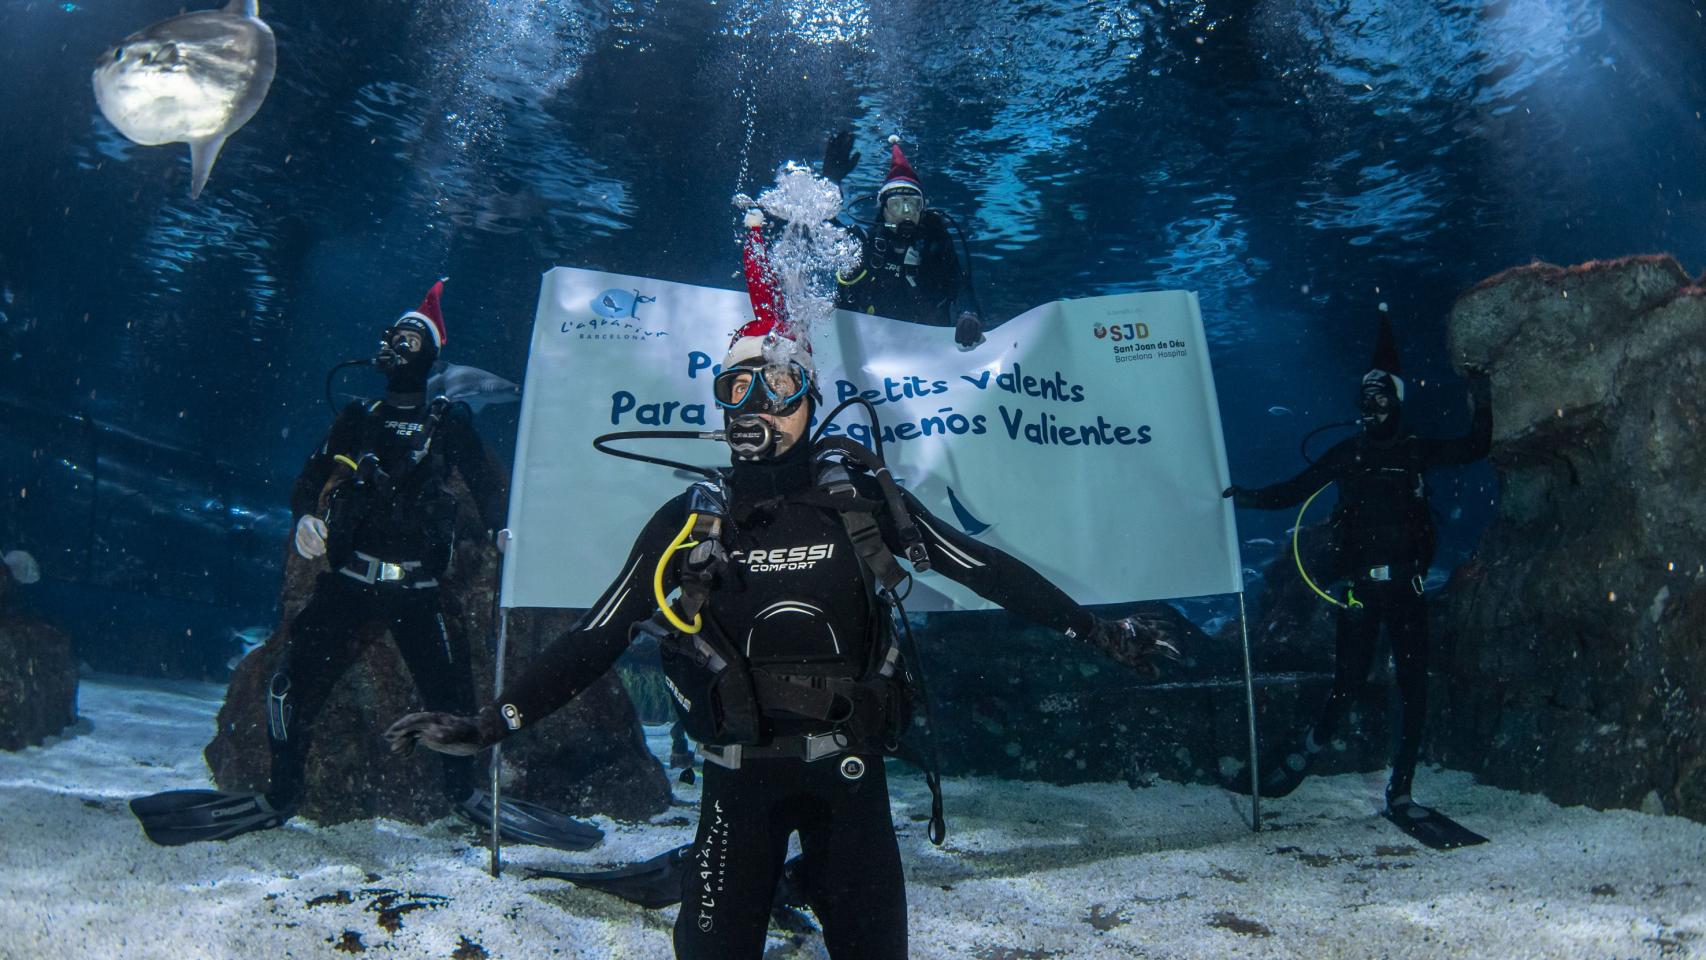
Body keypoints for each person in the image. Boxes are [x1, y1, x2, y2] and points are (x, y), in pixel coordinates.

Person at [386, 245, 1184, 958]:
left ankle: (805, 890)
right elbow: (598, 635)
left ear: (810, 397)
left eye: (778, 386)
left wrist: (1097, 631)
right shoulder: (691, 520)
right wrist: (493, 722)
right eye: (739, 386)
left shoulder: (863, 499)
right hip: (735, 787)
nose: (756, 406)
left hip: (851, 781)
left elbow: (978, 566)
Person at [129, 280, 528, 846]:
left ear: (434, 354)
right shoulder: (359, 418)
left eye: (414, 337)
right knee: (289, 683)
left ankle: (462, 792)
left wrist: (500, 528)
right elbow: (312, 477)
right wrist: (303, 519)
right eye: (398, 335)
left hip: (418, 590)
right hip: (348, 580)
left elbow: (486, 485)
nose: (400, 344)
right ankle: (280, 792)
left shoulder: (449, 424)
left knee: (453, 699)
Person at [1222, 309, 1491, 843]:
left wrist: (1480, 392)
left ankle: (1402, 790)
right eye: (1362, 400)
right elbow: (1292, 492)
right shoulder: (1350, 453)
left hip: (1409, 590)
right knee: (1346, 684)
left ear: (1395, 402)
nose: (1368, 409)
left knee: (1415, 689)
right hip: (1362, 590)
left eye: (1378, 399)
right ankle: (1306, 754)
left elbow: (1474, 447)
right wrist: (1242, 496)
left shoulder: (1415, 451)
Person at [822, 132, 987, 349]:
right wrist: (830, 181)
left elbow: (960, 285)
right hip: (874, 347)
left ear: (923, 209)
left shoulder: (935, 245)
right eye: (897, 205)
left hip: (929, 347)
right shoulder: (868, 246)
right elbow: (825, 227)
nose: (906, 213)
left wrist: (968, 314)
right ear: (883, 210)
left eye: (913, 204)